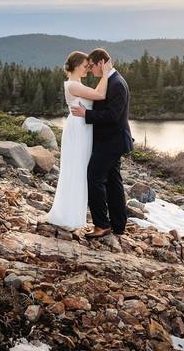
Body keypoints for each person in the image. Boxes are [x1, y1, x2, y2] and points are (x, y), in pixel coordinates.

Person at [45, 50, 113, 229]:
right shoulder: (72, 85)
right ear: (75, 66)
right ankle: (67, 216)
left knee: (81, 170)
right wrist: (105, 73)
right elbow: (100, 95)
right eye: (85, 66)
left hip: (84, 128)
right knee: (75, 170)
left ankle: (74, 214)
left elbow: (97, 93)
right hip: (78, 129)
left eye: (89, 67)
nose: (88, 70)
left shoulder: (78, 83)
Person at [71, 48, 134, 238]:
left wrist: (86, 114)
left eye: (92, 66)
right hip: (110, 141)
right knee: (114, 183)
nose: (90, 70)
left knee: (94, 178)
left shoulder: (117, 84)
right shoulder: (111, 80)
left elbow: (113, 116)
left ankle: (102, 225)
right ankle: (119, 225)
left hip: (111, 142)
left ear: (101, 63)